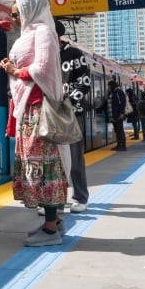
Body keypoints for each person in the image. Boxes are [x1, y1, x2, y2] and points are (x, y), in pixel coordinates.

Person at [0, 0, 67, 247]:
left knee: (44, 168)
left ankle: (50, 231)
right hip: (28, 109)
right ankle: (55, 221)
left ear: (30, 10)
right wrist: (11, 65)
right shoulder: (30, 34)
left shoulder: (44, 33)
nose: (14, 19)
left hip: (40, 111)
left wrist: (14, 70)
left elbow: (43, 68)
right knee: (38, 166)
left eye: (16, 14)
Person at [55, 20, 90, 214]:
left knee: (75, 156)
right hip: (50, 113)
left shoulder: (75, 54)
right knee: (55, 159)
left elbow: (84, 83)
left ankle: (80, 197)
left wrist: (67, 102)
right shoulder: (46, 55)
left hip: (71, 113)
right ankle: (56, 199)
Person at [107, 80, 128, 151]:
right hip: (113, 115)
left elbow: (123, 102)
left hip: (118, 115)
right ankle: (119, 145)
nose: (108, 87)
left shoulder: (119, 92)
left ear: (112, 86)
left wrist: (122, 113)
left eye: (109, 86)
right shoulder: (113, 93)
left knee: (120, 130)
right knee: (117, 131)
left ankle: (123, 146)